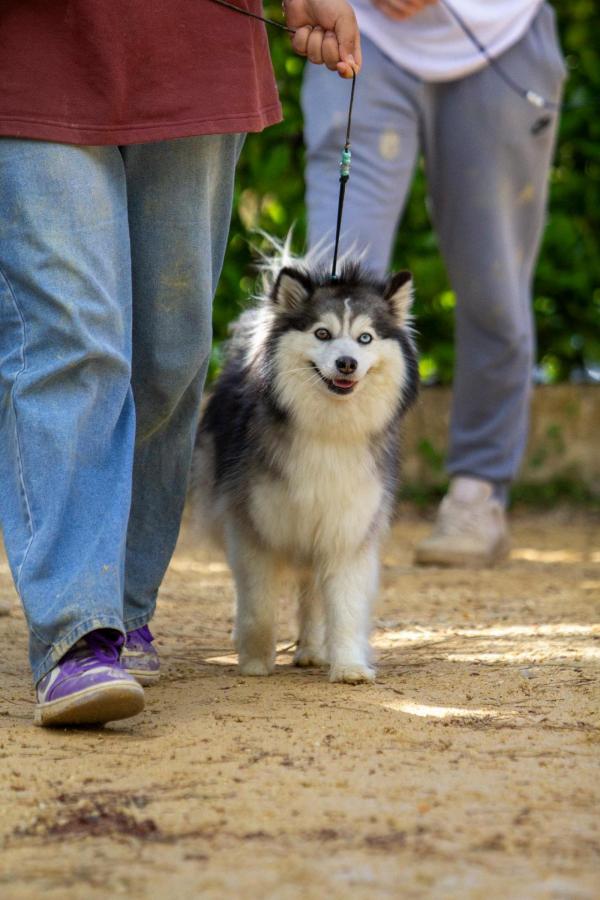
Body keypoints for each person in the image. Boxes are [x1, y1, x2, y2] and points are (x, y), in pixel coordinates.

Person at [0, 0, 360, 727]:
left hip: (194, 46)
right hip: (28, 47)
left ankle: (125, 604)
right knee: (75, 336)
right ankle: (79, 630)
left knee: (171, 354)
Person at [301, 0, 566, 566]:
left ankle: (479, 491)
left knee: (494, 293)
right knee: (334, 285)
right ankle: (317, 493)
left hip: (503, 41)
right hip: (357, 34)